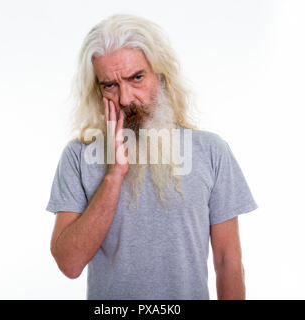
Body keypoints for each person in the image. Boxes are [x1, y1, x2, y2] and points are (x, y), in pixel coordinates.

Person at [45, 14, 258, 300]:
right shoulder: (78, 156)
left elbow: (227, 261)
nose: (125, 98)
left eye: (137, 78)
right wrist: (114, 175)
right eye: (110, 85)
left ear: (161, 75)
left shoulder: (211, 151)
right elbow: (69, 264)